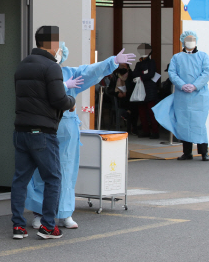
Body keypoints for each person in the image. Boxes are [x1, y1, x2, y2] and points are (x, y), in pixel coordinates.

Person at [25, 45, 135, 230]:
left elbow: (90, 71)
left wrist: (113, 61)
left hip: (66, 130)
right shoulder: (37, 73)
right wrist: (62, 86)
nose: (55, 53)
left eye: (57, 50)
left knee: (66, 172)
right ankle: (40, 213)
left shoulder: (70, 73)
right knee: (41, 171)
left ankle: (65, 213)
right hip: (43, 127)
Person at [11, 26, 76, 240]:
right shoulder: (51, 67)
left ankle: (18, 227)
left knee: (20, 179)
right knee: (53, 178)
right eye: (57, 43)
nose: (59, 48)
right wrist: (71, 102)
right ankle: (48, 226)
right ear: (51, 44)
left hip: (21, 130)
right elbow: (59, 99)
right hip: (42, 132)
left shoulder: (22, 66)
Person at [153, 31, 209, 161]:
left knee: (199, 124)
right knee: (183, 123)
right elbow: (172, 73)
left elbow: (206, 73)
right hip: (182, 96)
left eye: (192, 39)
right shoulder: (176, 57)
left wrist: (195, 85)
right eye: (188, 39)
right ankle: (187, 152)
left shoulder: (203, 56)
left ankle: (204, 152)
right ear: (183, 41)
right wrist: (182, 85)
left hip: (199, 96)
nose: (190, 41)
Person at [132, 43, 160, 139]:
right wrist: (144, 73)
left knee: (152, 111)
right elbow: (134, 73)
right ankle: (146, 130)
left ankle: (155, 131)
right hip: (141, 88)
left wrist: (141, 75)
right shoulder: (138, 63)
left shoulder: (152, 61)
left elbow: (151, 74)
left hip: (150, 89)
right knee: (142, 112)